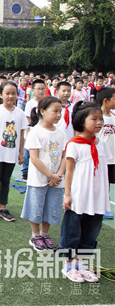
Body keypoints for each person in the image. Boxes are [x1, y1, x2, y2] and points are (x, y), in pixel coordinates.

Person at [60, 101, 111, 283]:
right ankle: (68, 266)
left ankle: (81, 265)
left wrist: (106, 193)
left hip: (97, 196)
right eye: (94, 119)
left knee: (91, 232)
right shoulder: (74, 144)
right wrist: (67, 194)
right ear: (82, 121)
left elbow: (104, 170)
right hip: (79, 195)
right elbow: (70, 171)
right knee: (72, 231)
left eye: (101, 119)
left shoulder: (102, 144)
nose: (99, 122)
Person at [20, 96, 66, 252]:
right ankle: (35, 236)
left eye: (60, 111)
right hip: (39, 179)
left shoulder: (61, 133)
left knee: (51, 207)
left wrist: (58, 175)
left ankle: (45, 234)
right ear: (43, 111)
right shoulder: (36, 132)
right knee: (36, 207)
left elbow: (65, 156)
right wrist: (50, 175)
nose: (58, 115)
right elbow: (34, 158)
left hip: (57, 180)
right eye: (55, 111)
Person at [0, 81, 28, 221]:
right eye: (7, 93)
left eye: (13, 93)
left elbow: (20, 135)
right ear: (1, 94)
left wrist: (21, 153)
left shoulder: (20, 113)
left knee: (6, 181)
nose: (10, 96)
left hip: (11, 153)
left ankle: (3, 207)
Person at [22, 79, 47, 181]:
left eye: (43, 89)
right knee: (27, 154)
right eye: (38, 89)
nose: (41, 91)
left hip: (43, 132)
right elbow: (28, 119)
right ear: (33, 90)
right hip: (32, 131)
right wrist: (27, 134)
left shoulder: (46, 102)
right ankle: (25, 173)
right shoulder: (30, 103)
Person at [96, 87, 115, 219]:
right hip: (99, 156)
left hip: (111, 156)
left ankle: (104, 207)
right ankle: (96, 206)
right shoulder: (97, 116)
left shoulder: (113, 116)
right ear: (106, 100)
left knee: (107, 181)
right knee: (97, 181)